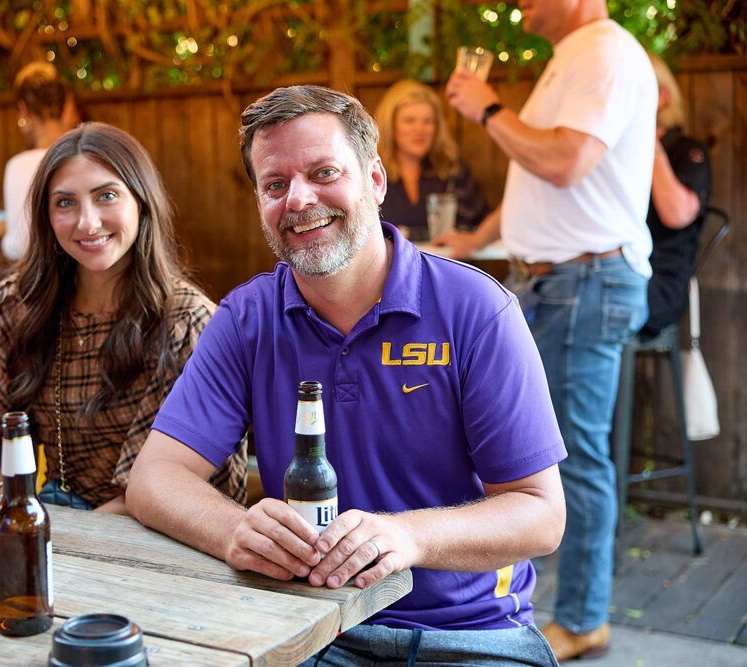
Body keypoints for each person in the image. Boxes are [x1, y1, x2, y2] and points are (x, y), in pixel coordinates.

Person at [126, 85, 567, 666]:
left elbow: (541, 514)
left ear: (375, 180)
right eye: (275, 184)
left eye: (323, 171)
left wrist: (409, 537)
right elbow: (155, 476)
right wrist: (232, 530)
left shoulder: (476, 310)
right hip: (305, 628)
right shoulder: (247, 318)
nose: (299, 199)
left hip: (468, 639)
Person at [442, 0, 657, 660]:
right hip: (557, 282)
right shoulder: (574, 57)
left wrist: (486, 110)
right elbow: (541, 179)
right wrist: (475, 238)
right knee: (515, 451)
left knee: (574, 461)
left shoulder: (604, 51)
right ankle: (507, 602)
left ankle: (585, 616)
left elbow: (565, 161)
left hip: (585, 283)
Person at [0, 122, 247, 514]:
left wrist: (61, 543)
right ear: (46, 215)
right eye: (65, 202)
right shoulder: (20, 303)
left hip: (157, 534)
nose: (88, 222)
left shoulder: (186, 322)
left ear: (141, 201)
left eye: (106, 196)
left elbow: (166, 486)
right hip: (50, 516)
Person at [641, 54, 712, 338]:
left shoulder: (687, 150)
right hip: (618, 271)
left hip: (660, 281)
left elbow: (677, 214)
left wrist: (648, 137)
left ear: (663, 96)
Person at [374, 80, 488, 239]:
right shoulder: (370, 174)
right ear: (390, 125)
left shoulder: (452, 171)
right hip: (392, 263)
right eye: (409, 121)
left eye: (428, 121)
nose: (419, 130)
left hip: (445, 262)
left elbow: (478, 227)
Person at [2, 61, 80, 261]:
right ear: (66, 107)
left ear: (24, 109)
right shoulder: (83, 158)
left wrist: (5, 239)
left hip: (41, 280)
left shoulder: (18, 166)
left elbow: (20, 245)